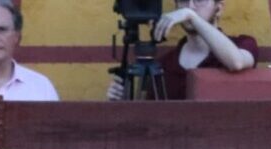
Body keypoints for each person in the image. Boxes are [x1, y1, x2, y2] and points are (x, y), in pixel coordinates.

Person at [106, 0, 257, 101]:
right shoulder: (163, 65)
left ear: (219, 8)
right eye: (183, 0)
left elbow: (236, 62)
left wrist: (192, 17)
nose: (190, 6)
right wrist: (122, 103)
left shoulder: (243, 43)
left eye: (199, 0)